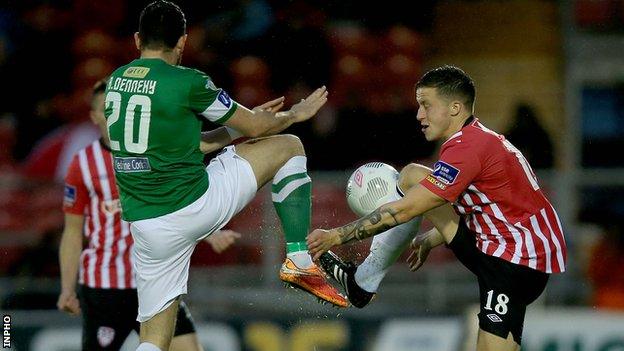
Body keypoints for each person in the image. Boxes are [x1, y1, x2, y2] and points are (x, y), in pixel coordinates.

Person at [105, 2, 348, 350]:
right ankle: (299, 259)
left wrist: (240, 131)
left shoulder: (116, 82)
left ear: (137, 39)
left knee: (154, 341)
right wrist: (293, 114)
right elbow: (257, 126)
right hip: (194, 204)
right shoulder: (187, 82)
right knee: (289, 146)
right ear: (183, 42)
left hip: (148, 227)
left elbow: (193, 146)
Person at [308, 65, 567, 351]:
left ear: (455, 108)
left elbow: (402, 211)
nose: (419, 115)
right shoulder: (478, 138)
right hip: (519, 251)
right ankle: (363, 281)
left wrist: (336, 236)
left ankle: (362, 282)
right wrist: (433, 237)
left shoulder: (467, 150)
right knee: (411, 176)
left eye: (426, 106)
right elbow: (490, 204)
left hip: (512, 263)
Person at [57, 79, 241, 351]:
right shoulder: (82, 163)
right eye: (105, 111)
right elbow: (72, 232)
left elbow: (177, 202)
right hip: (106, 287)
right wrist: (67, 288)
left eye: (116, 109)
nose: (112, 116)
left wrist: (210, 233)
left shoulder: (153, 150)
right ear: (94, 117)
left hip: (156, 276)